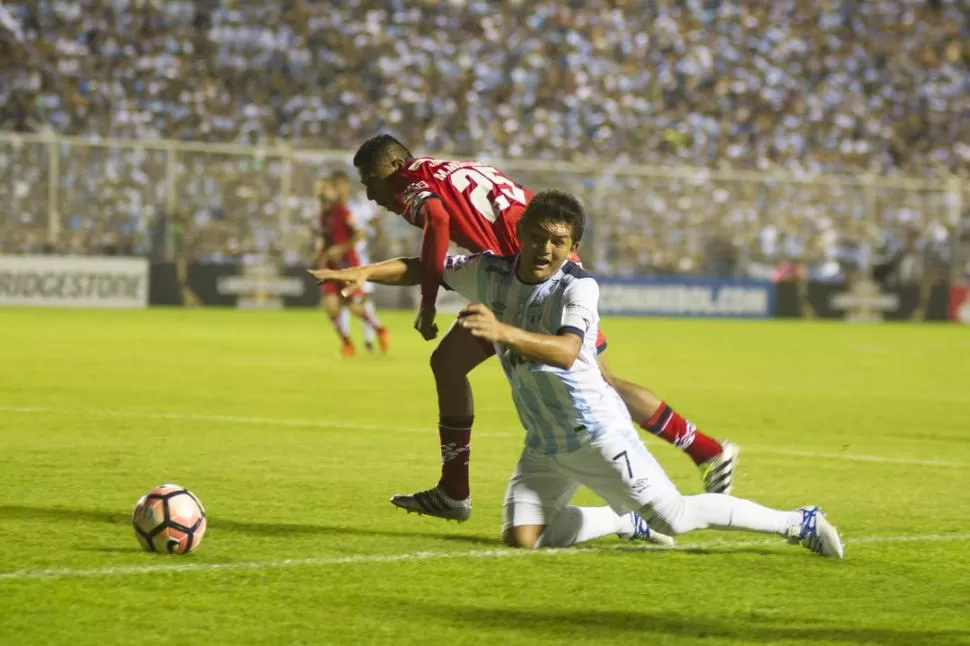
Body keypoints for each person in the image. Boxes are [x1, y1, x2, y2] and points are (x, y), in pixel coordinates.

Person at [312, 190, 843, 558]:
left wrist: (502, 333)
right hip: (544, 442)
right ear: (520, 233)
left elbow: (567, 352)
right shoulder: (491, 274)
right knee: (523, 537)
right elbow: (421, 265)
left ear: (572, 248)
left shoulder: (577, 288)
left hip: (598, 433)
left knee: (677, 518)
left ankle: (799, 522)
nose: (547, 249)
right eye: (539, 236)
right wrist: (363, 272)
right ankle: (620, 521)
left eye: (559, 242)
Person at [347, 134, 738, 520]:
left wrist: (428, 301)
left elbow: (437, 218)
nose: (371, 194)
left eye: (372, 180)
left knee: (601, 382)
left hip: (535, 274)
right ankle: (453, 490)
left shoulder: (410, 181)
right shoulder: (446, 169)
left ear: (396, 166)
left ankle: (704, 451)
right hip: (520, 269)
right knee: (448, 363)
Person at [315, 172, 388, 357]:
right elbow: (326, 239)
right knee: (331, 305)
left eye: (325, 188)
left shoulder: (343, 211)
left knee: (354, 305)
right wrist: (321, 253)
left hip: (348, 264)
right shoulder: (324, 214)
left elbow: (359, 233)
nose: (321, 192)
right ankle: (347, 343)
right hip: (331, 267)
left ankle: (377, 329)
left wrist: (340, 249)